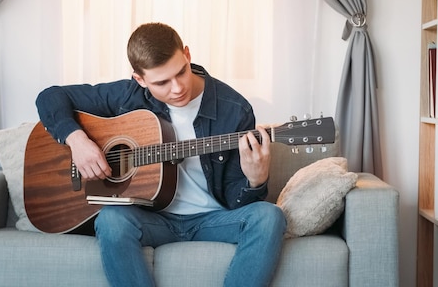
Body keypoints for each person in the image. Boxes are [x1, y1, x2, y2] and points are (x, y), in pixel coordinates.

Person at [35, 22, 286, 287]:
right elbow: (49, 97)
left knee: (269, 216)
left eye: (181, 72)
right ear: (140, 79)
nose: (177, 88)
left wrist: (255, 182)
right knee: (111, 219)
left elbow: (239, 207)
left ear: (187, 55)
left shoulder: (234, 109)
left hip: (211, 218)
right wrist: (77, 139)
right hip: (152, 218)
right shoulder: (128, 95)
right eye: (162, 82)